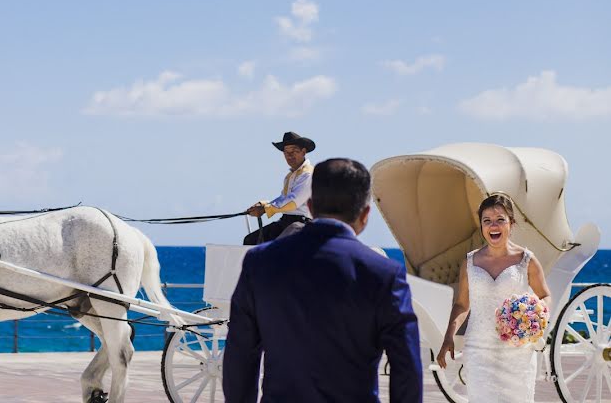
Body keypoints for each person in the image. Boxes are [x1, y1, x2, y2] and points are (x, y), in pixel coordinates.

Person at [224, 158, 423, 402]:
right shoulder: (385, 274)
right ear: (365, 214)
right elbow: (407, 367)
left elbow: (240, 356)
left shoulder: (259, 263)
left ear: (310, 206)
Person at [437, 193, 552, 403]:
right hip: (479, 351)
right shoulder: (470, 262)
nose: (493, 226)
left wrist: (534, 316)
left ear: (511, 224)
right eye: (487, 221)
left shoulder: (526, 260)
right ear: (481, 226)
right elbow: (462, 304)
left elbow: (544, 295)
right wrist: (448, 338)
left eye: (500, 220)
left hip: (518, 354)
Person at [243, 131, 315, 245]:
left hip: (301, 224)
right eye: (286, 152)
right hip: (285, 222)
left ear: (303, 151)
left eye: (294, 151)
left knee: (277, 248)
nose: (290, 155)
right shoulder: (290, 176)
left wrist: (265, 209)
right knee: (250, 240)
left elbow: (293, 202)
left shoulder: (308, 174)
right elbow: (283, 198)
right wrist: (264, 204)